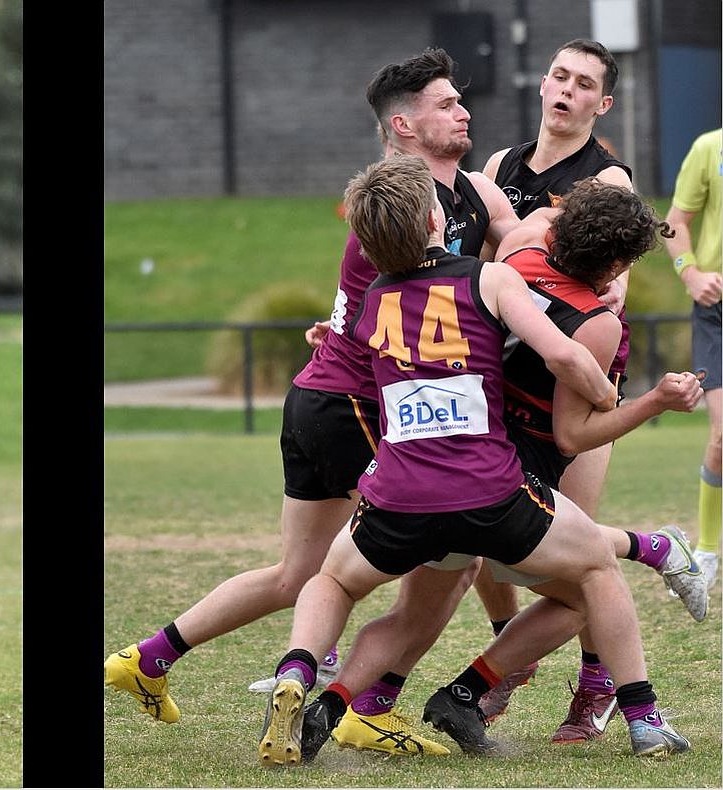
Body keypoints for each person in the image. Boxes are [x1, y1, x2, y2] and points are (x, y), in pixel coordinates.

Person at [103, 47, 518, 725]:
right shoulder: (399, 207)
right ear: (404, 127)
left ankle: (148, 657)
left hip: (321, 397)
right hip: (352, 403)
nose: (464, 110)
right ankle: (363, 704)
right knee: (447, 557)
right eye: (445, 103)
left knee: (295, 574)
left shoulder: (463, 193)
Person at [256, 154, 689, 766]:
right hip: (489, 489)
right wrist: (608, 391)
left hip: (398, 495)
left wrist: (325, 338)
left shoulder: (375, 297)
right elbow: (564, 358)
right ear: (437, 217)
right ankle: (644, 718)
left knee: (333, 580)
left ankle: (303, 679)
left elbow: (348, 350)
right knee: (593, 573)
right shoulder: (489, 279)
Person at [475, 38, 645, 736]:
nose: (566, 90)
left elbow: (611, 293)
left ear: (601, 104)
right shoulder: (498, 166)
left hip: (576, 379)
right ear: (543, 84)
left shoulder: (608, 183)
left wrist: (558, 341)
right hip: (505, 375)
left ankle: (597, 684)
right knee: (485, 535)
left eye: (584, 84)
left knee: (575, 550)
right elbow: (483, 269)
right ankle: (511, 651)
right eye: (560, 76)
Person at [666, 127, 723, 590]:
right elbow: (675, 223)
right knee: (722, 434)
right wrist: (690, 274)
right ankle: (708, 551)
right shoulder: (709, 146)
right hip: (716, 308)